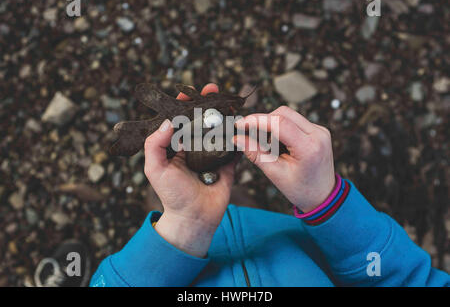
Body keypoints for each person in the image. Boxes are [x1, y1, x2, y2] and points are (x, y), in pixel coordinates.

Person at [90, 84, 449, 287]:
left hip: (171, 255)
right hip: (306, 254)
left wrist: (185, 226)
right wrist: (328, 205)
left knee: (215, 214)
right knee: (246, 217)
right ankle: (234, 211)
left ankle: (206, 220)